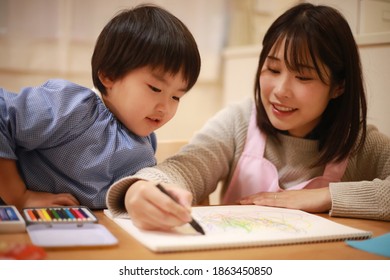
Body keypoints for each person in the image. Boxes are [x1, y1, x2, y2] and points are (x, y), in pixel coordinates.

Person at [106, 3, 390, 230]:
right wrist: (138, 190)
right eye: (273, 70)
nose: (280, 91)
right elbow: (185, 168)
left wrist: (324, 196)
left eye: (303, 76)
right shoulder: (239, 122)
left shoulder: (361, 143)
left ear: (338, 86)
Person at [0, 4, 201, 211]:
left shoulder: (145, 143)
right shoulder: (73, 107)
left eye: (177, 97)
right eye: (155, 88)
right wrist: (19, 196)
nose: (165, 107)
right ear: (109, 76)